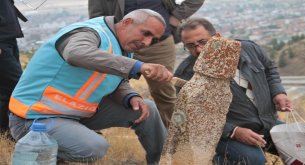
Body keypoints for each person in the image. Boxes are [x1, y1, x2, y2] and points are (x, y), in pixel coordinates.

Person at [9, 9, 172, 164]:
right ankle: (43, 154)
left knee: (147, 109)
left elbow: (115, 79)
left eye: (153, 39)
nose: (147, 42)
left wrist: (130, 96)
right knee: (94, 148)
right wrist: (138, 66)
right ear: (127, 22)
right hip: (35, 118)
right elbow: (76, 53)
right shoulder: (91, 32)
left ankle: (162, 162)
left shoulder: (123, 46)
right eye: (146, 33)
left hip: (76, 115)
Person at [174, 18, 293, 165]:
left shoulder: (248, 49)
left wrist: (278, 92)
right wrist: (233, 131)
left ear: (217, 37)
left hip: (266, 123)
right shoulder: (186, 75)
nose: (198, 50)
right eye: (191, 46)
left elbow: (270, 69)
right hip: (224, 135)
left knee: (304, 144)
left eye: (203, 42)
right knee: (252, 160)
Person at [88, 0, 205, 128]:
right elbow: (97, 15)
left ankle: (177, 136)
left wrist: (176, 17)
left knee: (165, 92)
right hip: (121, 43)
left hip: (159, 44)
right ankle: (85, 131)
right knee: (105, 86)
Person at [0, 0, 27, 134]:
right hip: (2, 41)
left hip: (8, 36)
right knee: (15, 86)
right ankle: (7, 131)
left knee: (7, 89)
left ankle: (6, 130)